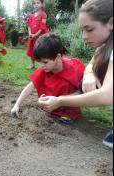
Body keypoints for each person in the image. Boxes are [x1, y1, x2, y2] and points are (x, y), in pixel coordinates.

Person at [38, 0, 113, 149]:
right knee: (85, 82)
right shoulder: (105, 45)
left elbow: (107, 95)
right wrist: (90, 72)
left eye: (89, 29)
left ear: (111, 23)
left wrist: (60, 101)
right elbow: (94, 60)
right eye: (82, 30)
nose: (84, 36)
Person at [11, 34, 85, 123]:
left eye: (45, 62)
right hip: (51, 105)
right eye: (39, 62)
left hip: (69, 106)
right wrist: (17, 105)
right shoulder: (44, 69)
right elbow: (30, 86)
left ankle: (69, 113)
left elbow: (83, 91)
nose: (41, 66)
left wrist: (61, 100)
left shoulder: (75, 68)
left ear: (58, 57)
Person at [26, 0, 49, 69]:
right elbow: (29, 26)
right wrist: (30, 34)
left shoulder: (43, 14)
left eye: (38, 3)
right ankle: (33, 64)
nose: (36, 4)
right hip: (32, 37)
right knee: (32, 50)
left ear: (42, 4)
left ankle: (41, 65)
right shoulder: (31, 16)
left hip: (40, 37)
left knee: (41, 51)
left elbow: (42, 27)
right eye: (34, 3)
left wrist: (35, 35)